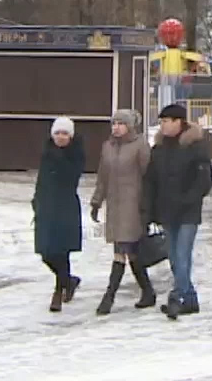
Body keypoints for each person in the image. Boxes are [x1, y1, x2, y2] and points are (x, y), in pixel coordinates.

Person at [143, 102, 212, 320]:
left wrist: (188, 199)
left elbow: (204, 180)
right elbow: (150, 181)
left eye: (165, 121)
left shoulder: (194, 147)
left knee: (182, 255)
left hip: (188, 212)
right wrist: (150, 210)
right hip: (166, 210)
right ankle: (190, 298)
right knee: (173, 257)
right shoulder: (159, 149)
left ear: (178, 122)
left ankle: (177, 298)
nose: (162, 126)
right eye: (161, 121)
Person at [88, 108, 153, 315]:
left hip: (133, 207)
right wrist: (97, 201)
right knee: (130, 252)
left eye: (120, 123)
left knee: (120, 252)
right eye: (114, 123)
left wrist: (149, 207)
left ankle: (109, 297)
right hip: (115, 208)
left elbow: (148, 177)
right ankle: (148, 291)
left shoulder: (139, 146)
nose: (116, 127)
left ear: (130, 126)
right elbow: (102, 177)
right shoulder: (108, 147)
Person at [32, 116, 86, 312]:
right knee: (46, 252)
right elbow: (42, 179)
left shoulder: (75, 153)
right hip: (46, 207)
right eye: (57, 133)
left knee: (61, 250)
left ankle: (58, 290)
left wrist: (59, 157)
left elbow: (71, 176)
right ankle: (68, 281)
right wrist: (36, 201)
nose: (61, 137)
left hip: (65, 207)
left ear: (71, 136)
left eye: (65, 134)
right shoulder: (47, 152)